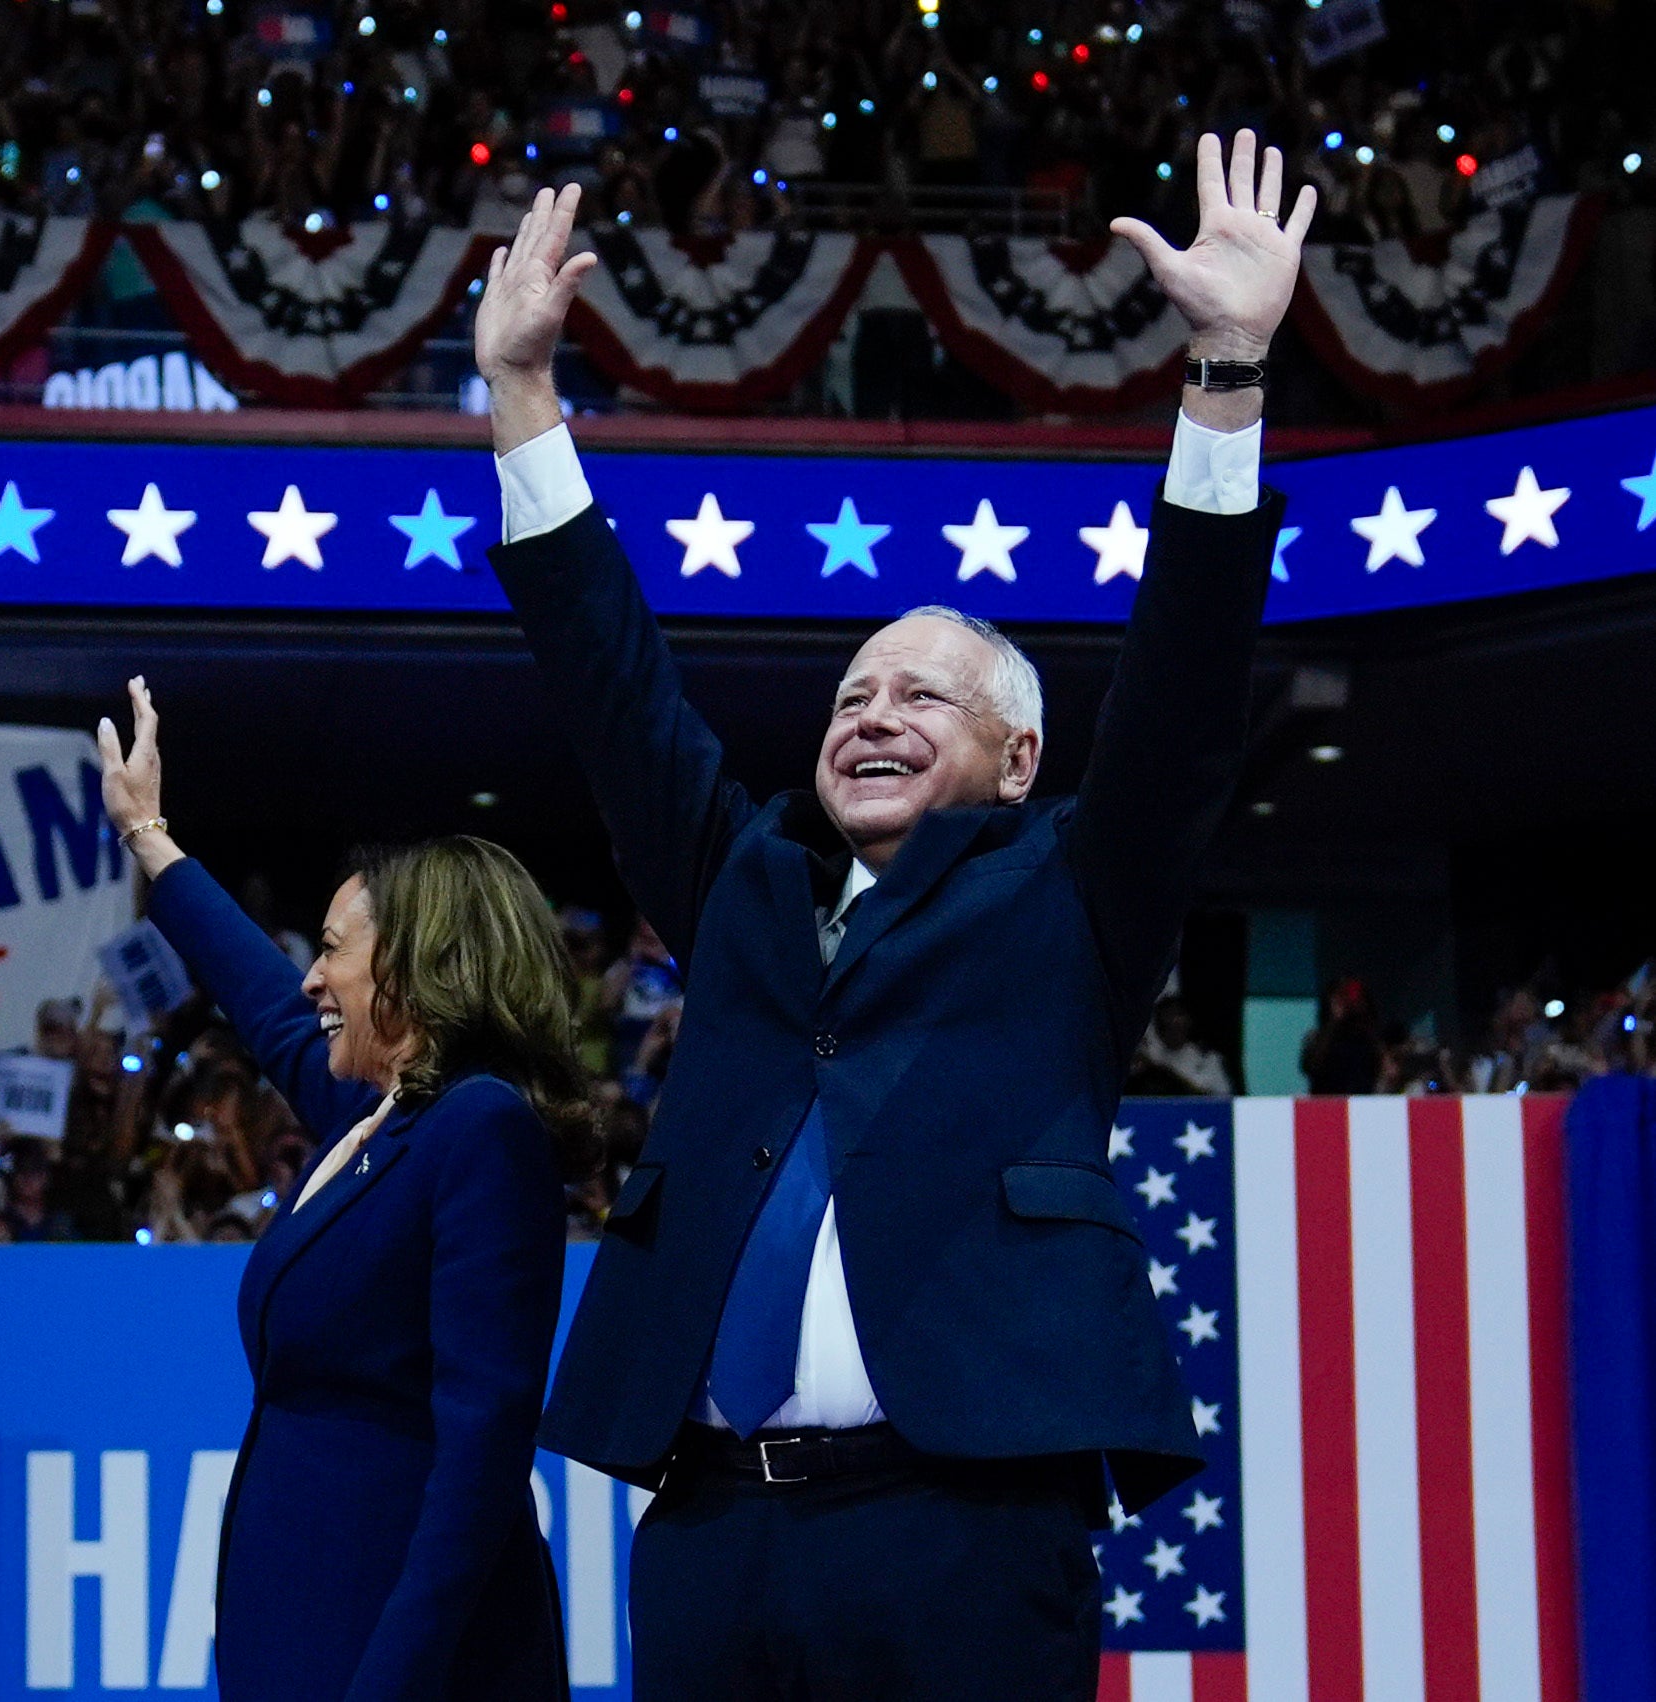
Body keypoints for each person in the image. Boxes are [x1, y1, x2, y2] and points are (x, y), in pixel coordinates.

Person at [472, 131, 1310, 1700]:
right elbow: (613, 690)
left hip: (964, 1529)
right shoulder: (742, 882)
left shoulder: (1071, 889)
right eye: (853, 690)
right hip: (712, 1524)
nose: (871, 712)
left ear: (1020, 756)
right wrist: (523, 404)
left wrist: (1226, 368)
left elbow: (1189, 693)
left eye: (923, 692)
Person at [95, 676, 583, 1702]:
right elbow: (264, 1003)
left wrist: (396, 1677)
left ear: (412, 966)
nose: (311, 979)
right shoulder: (372, 1119)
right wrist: (149, 837)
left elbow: (480, 1449)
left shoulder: (476, 1130)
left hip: (390, 1641)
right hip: (300, 1617)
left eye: (330, 951)